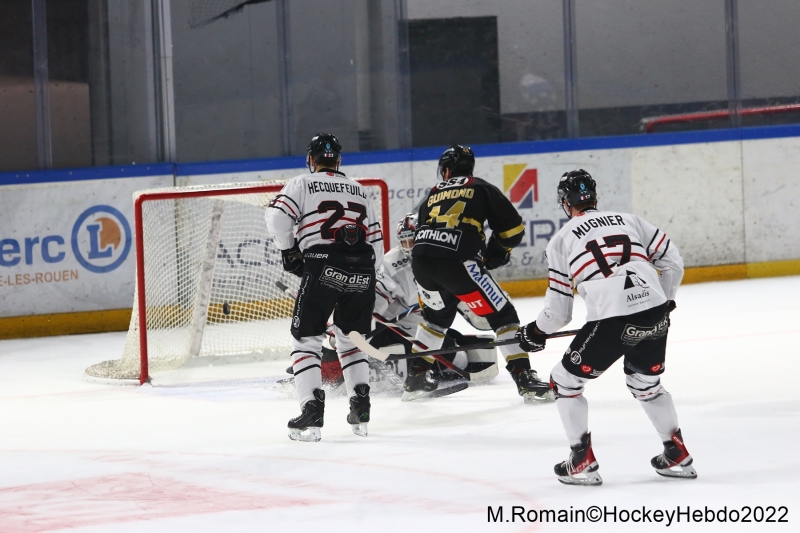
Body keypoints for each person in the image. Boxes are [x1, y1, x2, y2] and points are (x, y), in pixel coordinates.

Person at [516, 169, 696, 485]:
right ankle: (676, 454)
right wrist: (664, 300)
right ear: (595, 198)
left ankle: (581, 460)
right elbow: (673, 263)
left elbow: (558, 312)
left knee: (564, 382)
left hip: (612, 318)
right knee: (646, 383)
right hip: (655, 311)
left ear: (564, 203)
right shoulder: (630, 220)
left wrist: (535, 332)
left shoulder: (561, 239)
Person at [407, 145, 551, 402]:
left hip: (422, 262)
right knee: (504, 316)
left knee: (435, 320)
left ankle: (417, 374)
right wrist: (497, 251)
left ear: (447, 170)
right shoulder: (480, 187)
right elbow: (513, 230)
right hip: (457, 260)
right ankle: (524, 378)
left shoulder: (431, 194)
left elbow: (420, 228)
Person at [265, 133, 383, 441]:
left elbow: (277, 217)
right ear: (339, 160)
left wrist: (288, 249)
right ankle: (361, 407)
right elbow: (379, 246)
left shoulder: (302, 183)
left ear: (310, 160)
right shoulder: (359, 189)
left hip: (322, 265)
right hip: (363, 270)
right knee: (351, 339)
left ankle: (312, 412)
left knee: (306, 340)